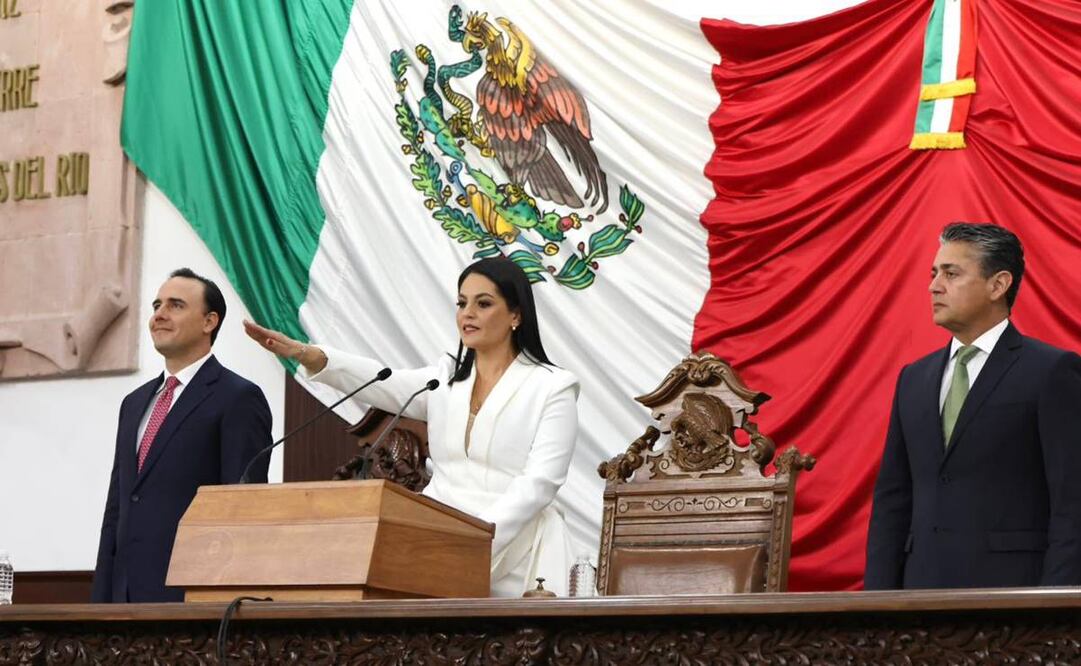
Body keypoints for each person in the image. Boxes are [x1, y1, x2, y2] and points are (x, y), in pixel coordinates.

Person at [244, 257, 580, 596]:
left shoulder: (553, 387)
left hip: (515, 555)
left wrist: (478, 539)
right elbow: (379, 381)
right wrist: (308, 354)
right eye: (462, 303)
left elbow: (540, 483)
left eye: (484, 303)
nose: (468, 313)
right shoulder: (444, 379)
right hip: (432, 547)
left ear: (516, 315)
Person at [865, 223, 1081, 589]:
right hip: (917, 600)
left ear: (998, 285)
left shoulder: (1052, 371)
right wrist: (874, 607)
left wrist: (1053, 604)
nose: (934, 286)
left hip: (1014, 599)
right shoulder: (913, 379)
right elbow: (893, 501)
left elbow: (1072, 503)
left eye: (951, 273)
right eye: (934, 273)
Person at [91, 268, 272, 603]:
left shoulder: (238, 397)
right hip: (122, 600)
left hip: (191, 600)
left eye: (175, 305)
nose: (159, 314)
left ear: (209, 322)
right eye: (157, 305)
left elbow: (242, 508)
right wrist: (100, 600)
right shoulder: (134, 404)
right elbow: (117, 507)